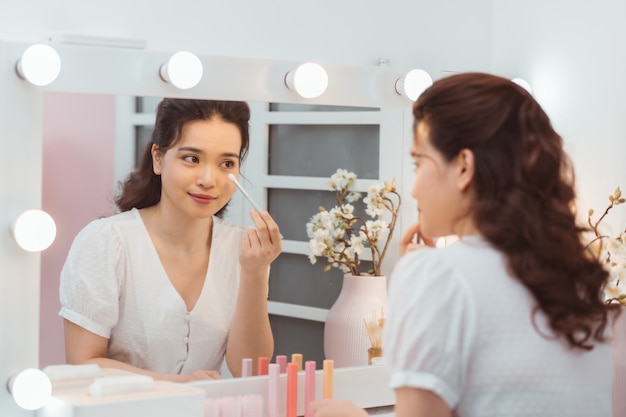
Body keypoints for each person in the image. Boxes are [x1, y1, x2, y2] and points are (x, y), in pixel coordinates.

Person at [310, 72, 619, 417]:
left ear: (463, 167)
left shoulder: (437, 276)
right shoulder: (576, 283)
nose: (413, 189)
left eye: (419, 163)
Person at [59, 98, 282, 382]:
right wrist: (181, 384)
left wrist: (254, 273)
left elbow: (251, 370)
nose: (208, 179)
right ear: (158, 158)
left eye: (226, 162)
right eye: (192, 158)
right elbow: (82, 364)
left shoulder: (243, 250)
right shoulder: (106, 242)